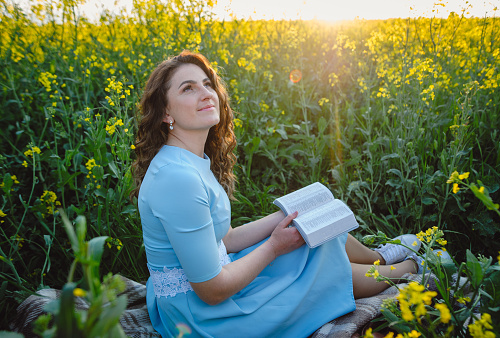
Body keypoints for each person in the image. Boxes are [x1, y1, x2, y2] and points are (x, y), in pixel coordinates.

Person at [132, 51, 422, 338]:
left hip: (209, 287)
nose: (206, 93)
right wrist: (273, 247)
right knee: (317, 255)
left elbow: (226, 238)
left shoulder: (189, 159)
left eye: (208, 84)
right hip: (204, 317)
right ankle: (410, 268)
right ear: (166, 112)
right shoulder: (178, 178)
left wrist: (289, 214)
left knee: (312, 224)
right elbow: (212, 290)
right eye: (188, 88)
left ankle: (379, 259)